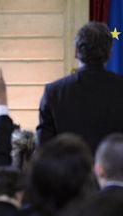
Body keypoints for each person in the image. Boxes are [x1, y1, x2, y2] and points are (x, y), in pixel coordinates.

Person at [37, 22, 123, 153]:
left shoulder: (54, 92)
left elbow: (44, 147)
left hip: (66, 172)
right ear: (109, 54)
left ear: (76, 52)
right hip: (116, 171)